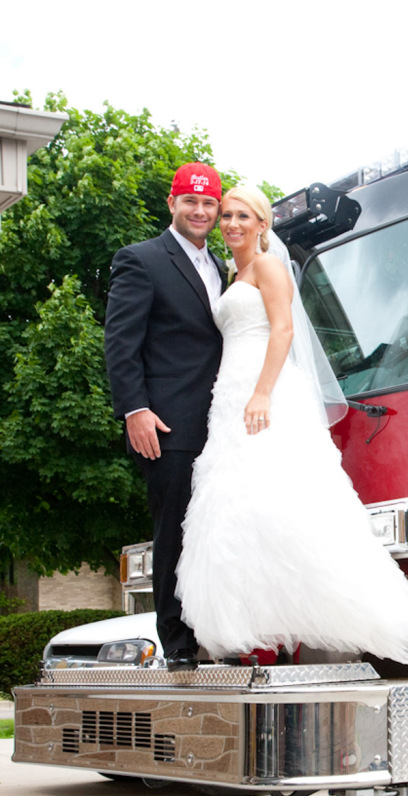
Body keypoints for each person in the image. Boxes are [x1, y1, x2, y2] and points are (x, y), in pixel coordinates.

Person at [174, 186, 408, 666]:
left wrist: (263, 392)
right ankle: (258, 630)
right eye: (226, 215)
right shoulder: (235, 272)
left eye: (242, 216)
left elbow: (284, 329)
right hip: (229, 397)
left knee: (281, 504)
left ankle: (288, 629)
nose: (230, 223)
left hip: (261, 394)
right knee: (240, 510)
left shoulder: (269, 266)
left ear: (262, 224)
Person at [105, 162, 226, 672]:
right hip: (168, 426)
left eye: (208, 203)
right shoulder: (141, 260)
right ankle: (177, 645)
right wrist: (135, 409)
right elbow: (120, 341)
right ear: (172, 204)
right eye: (190, 201)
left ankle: (217, 634)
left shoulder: (223, 265)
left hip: (222, 428)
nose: (199, 211)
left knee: (219, 532)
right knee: (173, 532)